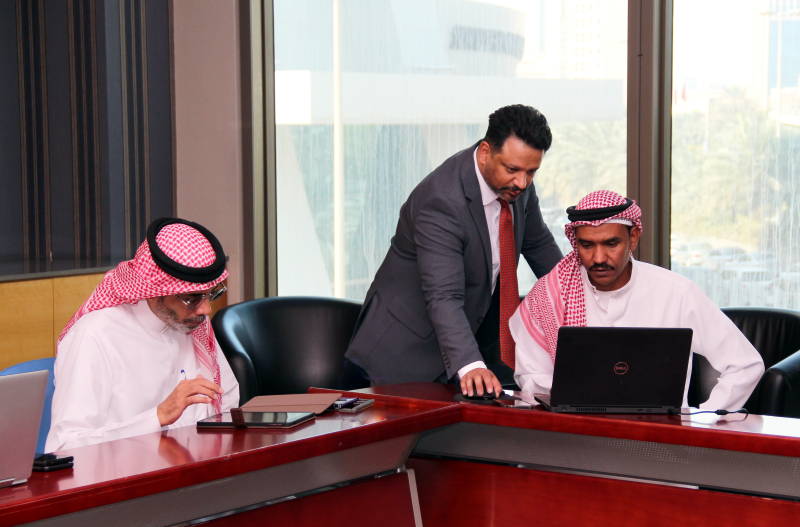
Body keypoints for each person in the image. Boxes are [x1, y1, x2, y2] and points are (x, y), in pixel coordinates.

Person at [344, 105, 563, 396]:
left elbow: (539, 245)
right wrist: (470, 364)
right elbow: (444, 295)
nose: (522, 182)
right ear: (485, 152)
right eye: (512, 169)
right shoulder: (441, 201)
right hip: (400, 357)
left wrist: (583, 295)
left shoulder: (516, 186)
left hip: (461, 344)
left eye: (531, 171)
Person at [511, 190, 764, 410]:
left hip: (661, 439)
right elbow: (530, 375)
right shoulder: (550, 295)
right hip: (578, 436)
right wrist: (572, 394)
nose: (598, 258)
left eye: (611, 244)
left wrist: (703, 421)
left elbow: (745, 365)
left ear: (633, 237)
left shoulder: (676, 293)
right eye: (587, 246)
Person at [45, 218, 240, 452]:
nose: (206, 309)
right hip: (124, 473)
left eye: (211, 294)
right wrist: (157, 417)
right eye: (192, 298)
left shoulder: (192, 321)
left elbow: (226, 401)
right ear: (155, 290)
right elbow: (66, 445)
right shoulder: (94, 336)